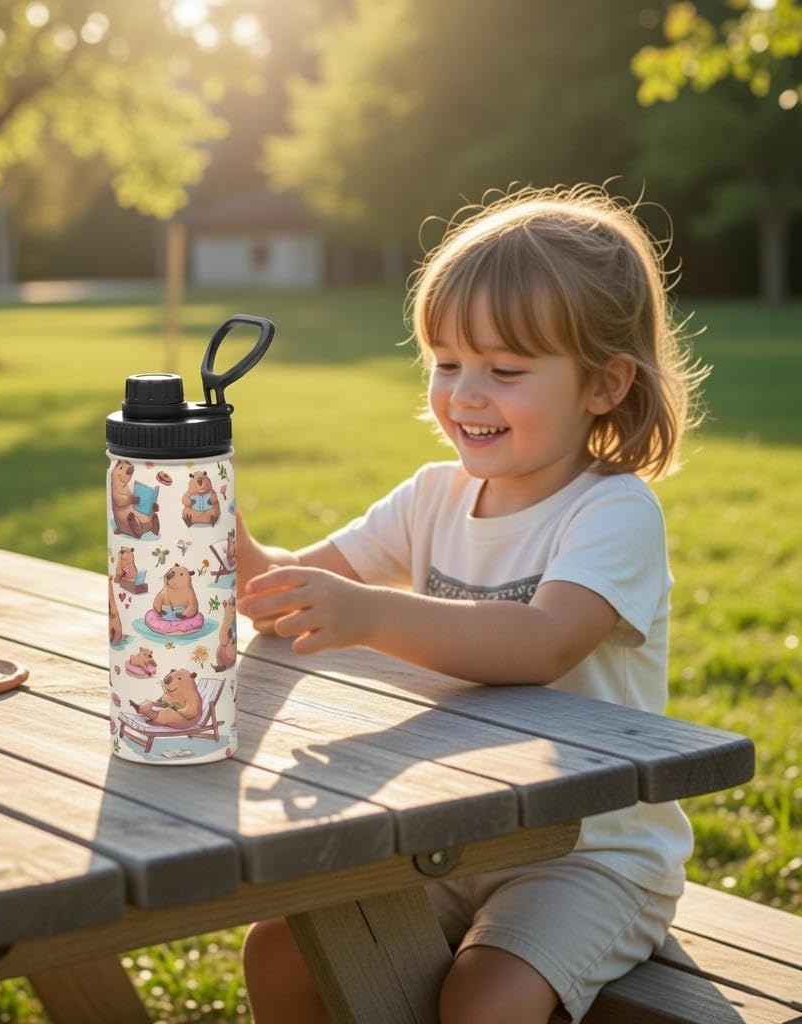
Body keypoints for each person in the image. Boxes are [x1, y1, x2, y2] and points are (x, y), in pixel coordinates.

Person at [235, 183, 707, 1024]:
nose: (466, 394)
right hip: (448, 835)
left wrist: (372, 614)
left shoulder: (611, 511)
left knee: (483, 1000)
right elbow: (289, 590)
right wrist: (222, 542)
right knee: (281, 949)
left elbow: (540, 643)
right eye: (448, 363)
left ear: (605, 384)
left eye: (506, 369)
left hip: (588, 851)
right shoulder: (431, 497)